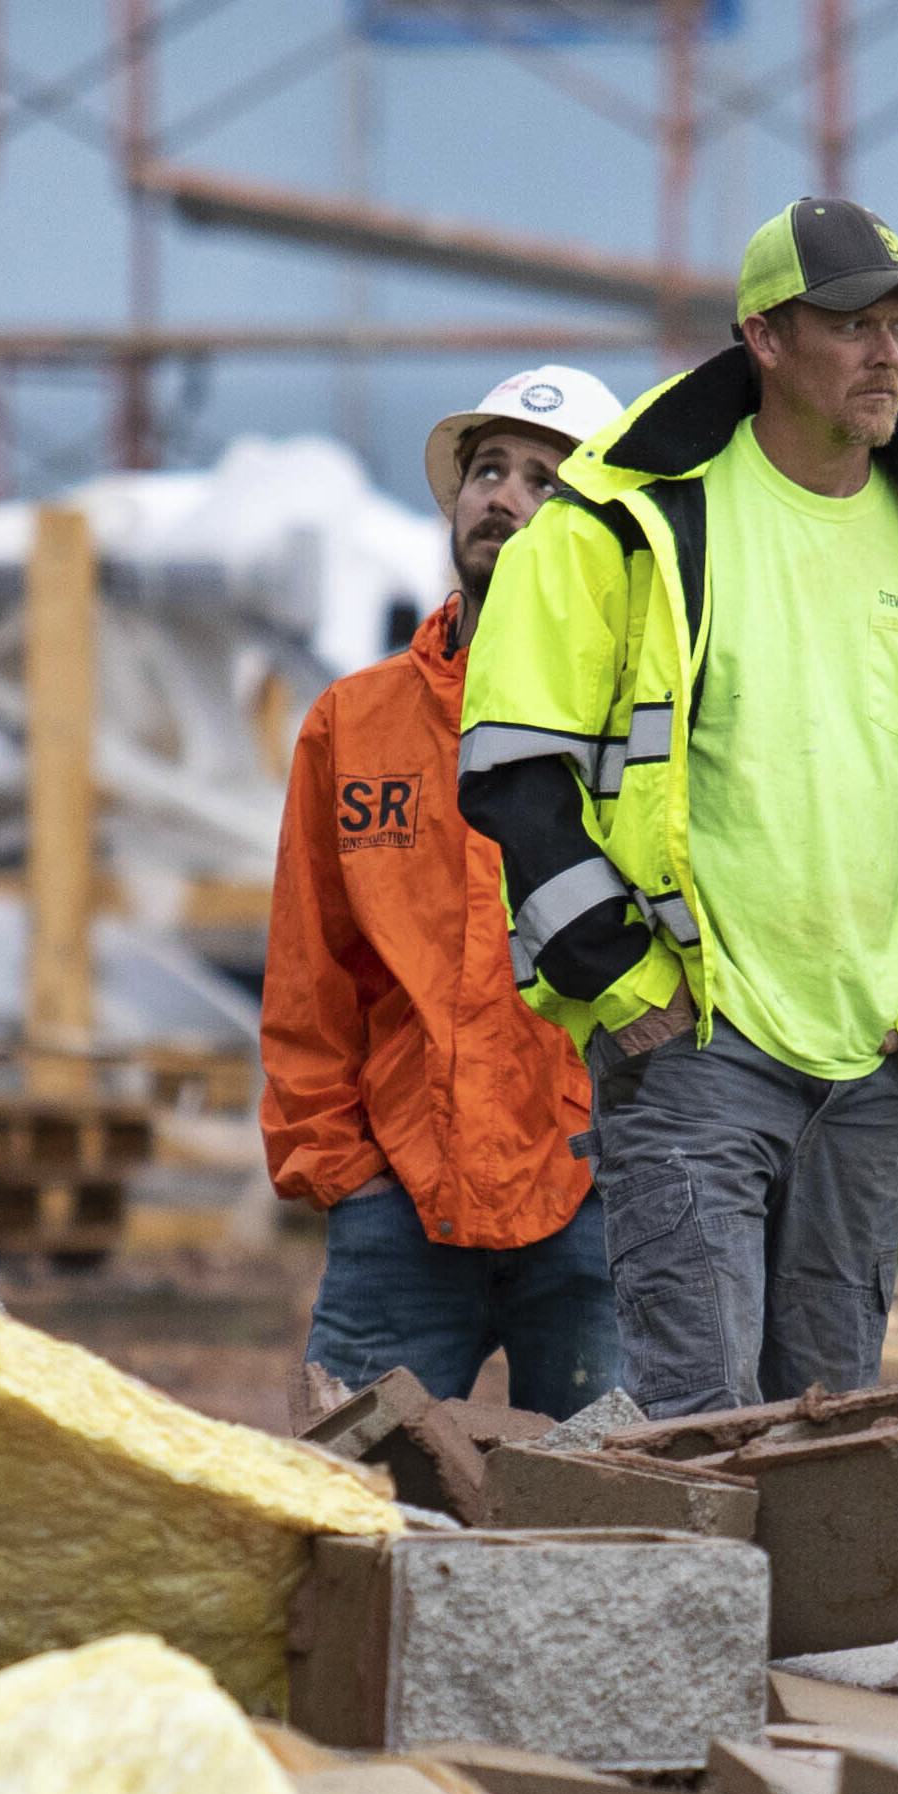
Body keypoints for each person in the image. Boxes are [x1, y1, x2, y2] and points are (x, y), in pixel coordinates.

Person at [459, 197, 898, 1420]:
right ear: (766, 339)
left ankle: (818, 1627)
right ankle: (706, 1623)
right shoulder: (622, 524)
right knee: (703, 1430)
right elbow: (514, 774)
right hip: (695, 1048)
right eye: (853, 324)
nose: (887, 351)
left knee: (833, 1434)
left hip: (870, 1064)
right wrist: (626, 986)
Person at [265, 361, 626, 1413]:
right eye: (488, 470)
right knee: (355, 1524)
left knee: (621, 1528)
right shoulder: (354, 723)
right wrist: (341, 1169)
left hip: (594, 1201)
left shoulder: (641, 714)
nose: (504, 497)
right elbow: (309, 974)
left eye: (547, 481)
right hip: (399, 1206)